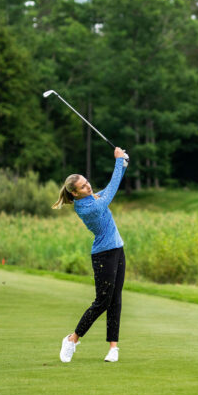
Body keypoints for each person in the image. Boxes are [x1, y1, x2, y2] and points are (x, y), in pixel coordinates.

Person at [53, 147, 129, 363]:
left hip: (117, 249)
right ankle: (72, 339)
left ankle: (113, 348)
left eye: (87, 182)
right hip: (103, 255)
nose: (88, 185)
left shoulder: (93, 196)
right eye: (83, 186)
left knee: (116, 300)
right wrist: (117, 162)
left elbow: (109, 187)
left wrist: (123, 164)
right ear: (75, 193)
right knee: (102, 301)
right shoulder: (87, 208)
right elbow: (111, 192)